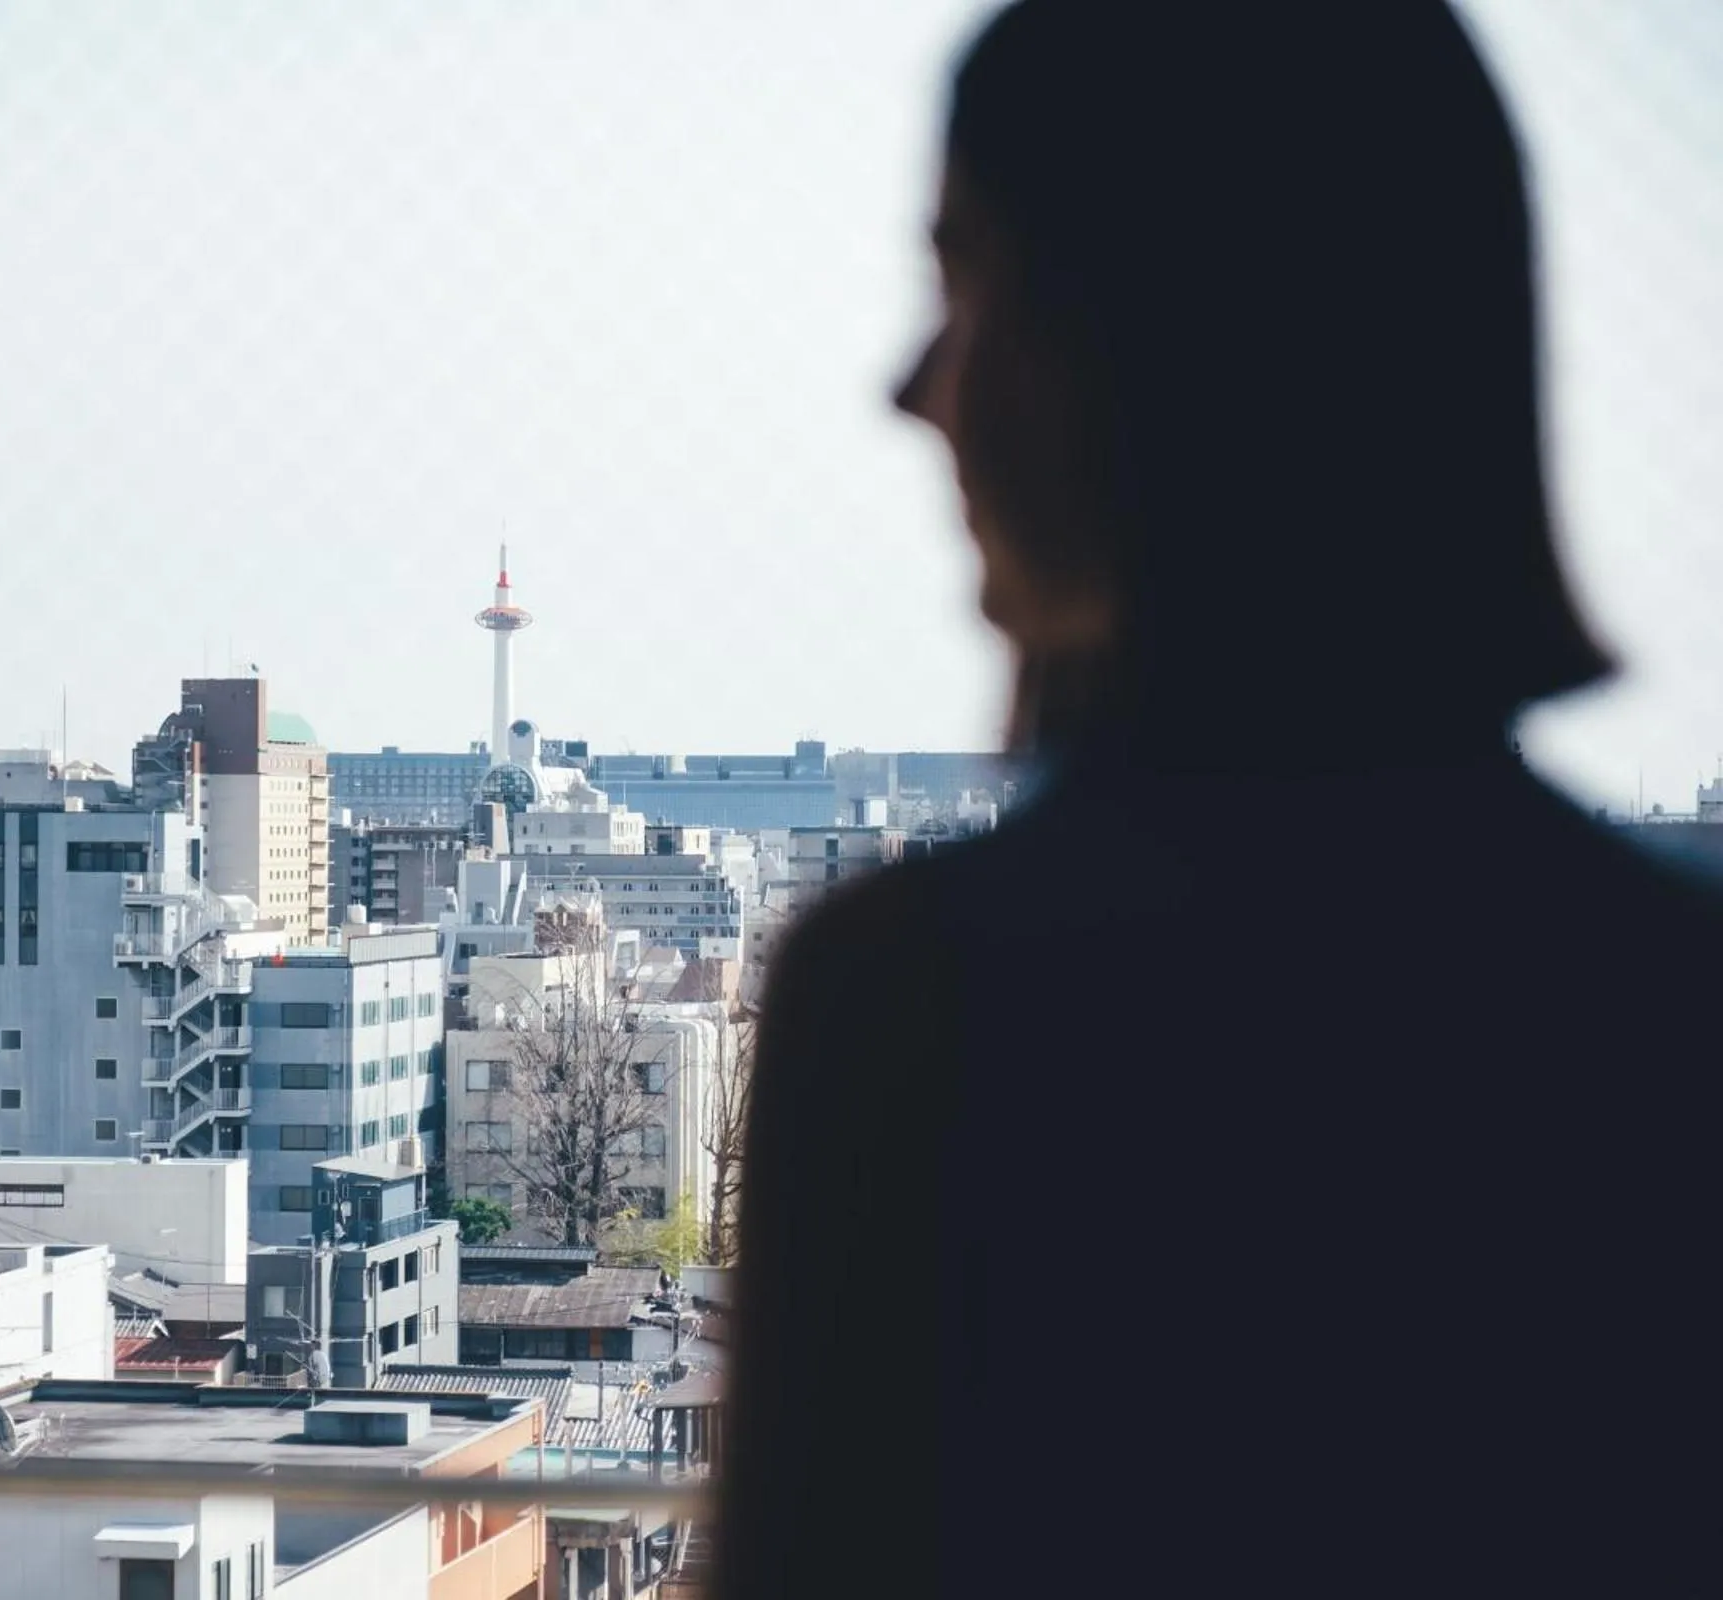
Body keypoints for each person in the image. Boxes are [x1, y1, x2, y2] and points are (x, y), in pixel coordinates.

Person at [717, 2, 1723, 1593]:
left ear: (1147, 346)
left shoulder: (919, 1006)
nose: (915, 388)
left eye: (971, 280)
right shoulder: (1676, 994)